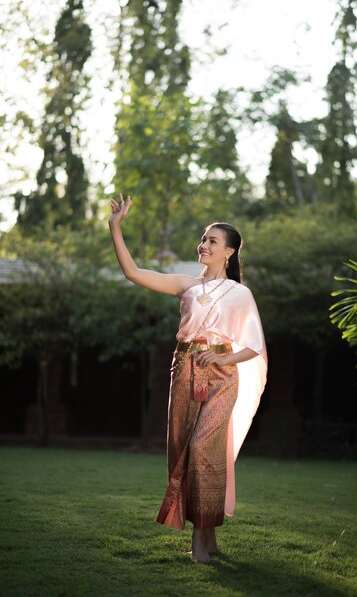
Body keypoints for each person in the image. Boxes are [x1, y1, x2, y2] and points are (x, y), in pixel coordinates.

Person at [109, 194, 267, 563]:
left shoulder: (240, 294)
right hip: (184, 371)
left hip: (222, 376)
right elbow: (132, 273)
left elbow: (253, 347)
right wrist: (115, 227)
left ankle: (199, 540)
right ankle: (209, 536)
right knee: (185, 450)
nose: (204, 244)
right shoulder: (186, 286)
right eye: (203, 238)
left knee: (203, 450)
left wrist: (220, 354)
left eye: (212, 240)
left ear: (229, 252)